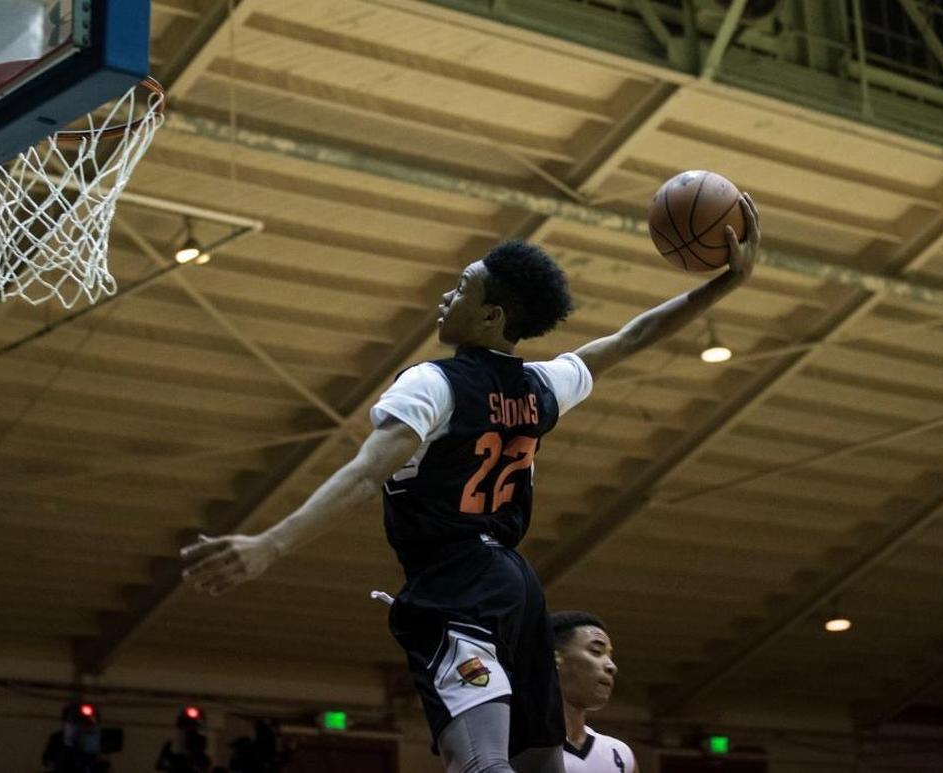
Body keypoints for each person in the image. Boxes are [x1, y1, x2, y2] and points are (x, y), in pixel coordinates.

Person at [181, 195, 760, 773]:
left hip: (457, 585)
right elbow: (634, 337)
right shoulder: (542, 386)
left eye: (462, 288)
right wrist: (725, 285)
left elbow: (364, 475)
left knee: (484, 765)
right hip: (518, 587)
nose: (446, 297)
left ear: (492, 317)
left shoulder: (434, 383)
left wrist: (270, 543)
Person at [552, 612, 636, 773]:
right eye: (596, 651)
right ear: (553, 658)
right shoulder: (512, 747)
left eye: (610, 656)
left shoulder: (620, 754)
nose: (611, 666)